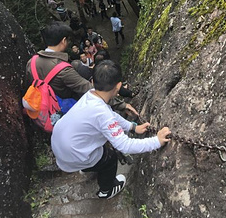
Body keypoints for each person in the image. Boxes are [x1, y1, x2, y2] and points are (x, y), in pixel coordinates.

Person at [51, 61, 171, 199]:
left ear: (92, 81)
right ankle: (106, 190)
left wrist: (132, 127)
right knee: (110, 157)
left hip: (60, 148)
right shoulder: (102, 113)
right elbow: (124, 145)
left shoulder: (90, 94)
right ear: (118, 86)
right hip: (72, 156)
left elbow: (110, 115)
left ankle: (86, 166)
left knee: (99, 150)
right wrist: (157, 141)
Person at [25, 22, 92, 101]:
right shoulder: (63, 69)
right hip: (65, 108)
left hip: (42, 108)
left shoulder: (31, 62)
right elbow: (87, 88)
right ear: (64, 41)